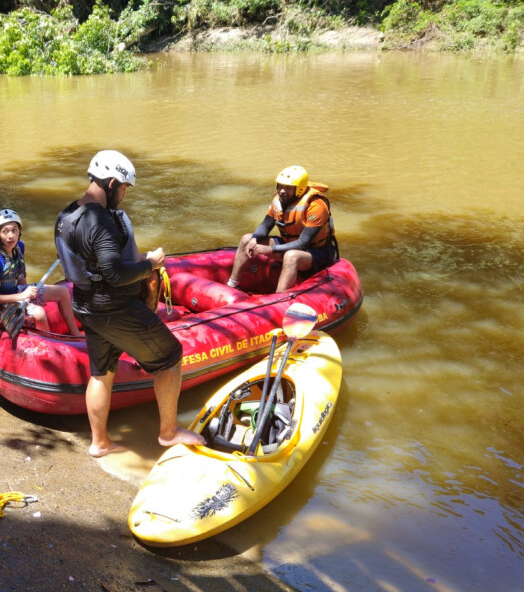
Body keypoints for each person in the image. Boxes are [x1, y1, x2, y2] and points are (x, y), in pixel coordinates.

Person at [54, 150, 205, 458]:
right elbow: (114, 273)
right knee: (170, 357)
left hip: (86, 305)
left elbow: (95, 265)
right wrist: (150, 264)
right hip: (115, 308)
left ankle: (100, 443)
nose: (124, 195)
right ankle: (169, 433)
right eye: (123, 188)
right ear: (111, 183)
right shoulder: (101, 222)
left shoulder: (68, 214)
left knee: (101, 373)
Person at [226, 165, 338, 293]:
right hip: (289, 244)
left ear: (299, 189)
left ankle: (277, 299)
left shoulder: (316, 205)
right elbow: (266, 224)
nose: (282, 191)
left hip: (317, 252)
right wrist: (255, 238)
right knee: (247, 239)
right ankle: (232, 285)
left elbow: (303, 243)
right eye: (280, 186)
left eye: (288, 188)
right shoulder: (278, 199)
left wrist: (269, 249)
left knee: (291, 256)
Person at [0, 208, 80, 335]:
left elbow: (21, 276)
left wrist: (29, 293)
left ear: (19, 231)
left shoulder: (19, 246)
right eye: (5, 232)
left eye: (14, 230)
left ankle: (75, 333)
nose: (11, 236)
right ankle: (49, 345)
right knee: (39, 314)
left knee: (62, 292)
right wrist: (23, 296)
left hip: (16, 292)